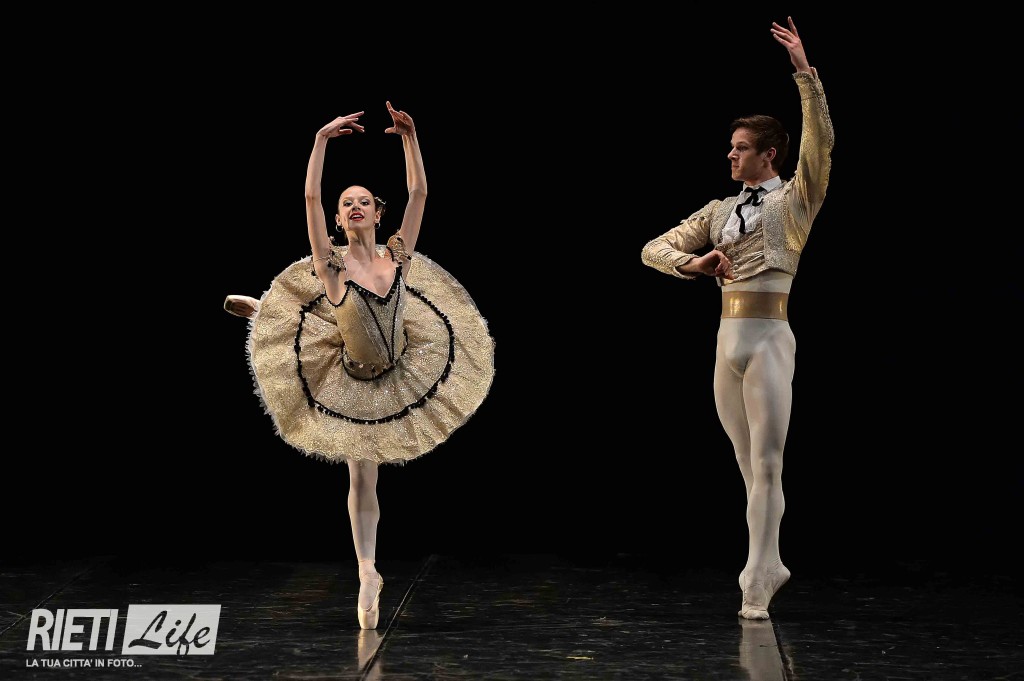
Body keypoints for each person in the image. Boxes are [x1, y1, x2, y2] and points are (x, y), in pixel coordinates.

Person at [224, 102, 495, 629]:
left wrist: (410, 138)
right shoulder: (332, 266)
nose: (353, 206)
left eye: (363, 201)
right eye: (346, 202)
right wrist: (321, 139)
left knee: (370, 456)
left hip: (402, 364)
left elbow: (420, 194)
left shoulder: (399, 257)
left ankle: (267, 310)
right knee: (362, 477)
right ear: (337, 218)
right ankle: (367, 570)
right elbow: (309, 196)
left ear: (377, 214)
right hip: (352, 378)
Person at [640, 17, 833, 620]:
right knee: (748, 468)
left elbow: (820, 143)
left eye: (742, 147)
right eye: (731, 146)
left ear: (768, 154)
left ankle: (756, 575)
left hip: (771, 338)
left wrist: (803, 72)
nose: (730, 153)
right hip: (727, 341)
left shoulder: (796, 198)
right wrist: (694, 264)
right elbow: (652, 248)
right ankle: (769, 562)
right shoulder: (719, 210)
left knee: (769, 462)